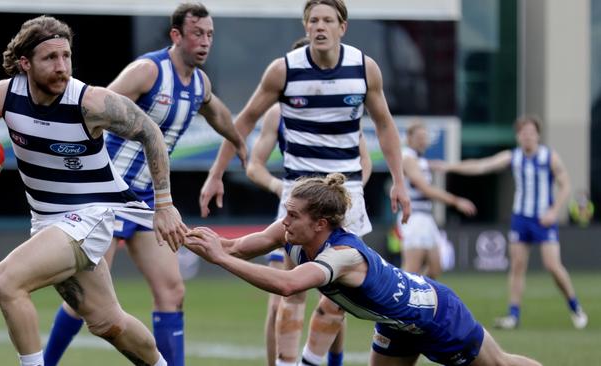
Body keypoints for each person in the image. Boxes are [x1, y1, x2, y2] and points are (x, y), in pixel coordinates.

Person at [0, 15, 188, 366]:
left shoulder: (89, 102)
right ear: (24, 63)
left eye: (66, 56)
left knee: (5, 282)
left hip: (90, 216)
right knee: (109, 323)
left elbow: (150, 131)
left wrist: (165, 204)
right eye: (50, 58)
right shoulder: (5, 95)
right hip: (48, 222)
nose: (62, 66)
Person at [200, 2, 411, 361]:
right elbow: (245, 119)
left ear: (342, 27)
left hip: (347, 195)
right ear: (306, 25)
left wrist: (400, 181)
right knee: (291, 292)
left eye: (328, 20)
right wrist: (215, 173)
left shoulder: (364, 69)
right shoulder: (283, 70)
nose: (320, 26)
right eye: (313, 20)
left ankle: (314, 361)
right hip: (299, 197)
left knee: (340, 295)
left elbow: (386, 125)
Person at [42, 4, 246, 366]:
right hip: (104, 194)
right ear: (176, 36)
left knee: (172, 291)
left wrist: (239, 151)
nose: (205, 42)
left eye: (210, 34)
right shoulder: (148, 71)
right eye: (197, 33)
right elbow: (94, 107)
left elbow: (222, 117)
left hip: (149, 202)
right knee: (84, 302)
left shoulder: (200, 85)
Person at [186, 173, 543, 366]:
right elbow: (231, 247)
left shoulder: (343, 254)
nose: (285, 221)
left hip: (437, 314)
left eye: (293, 214)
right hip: (395, 325)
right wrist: (179, 232)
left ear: (321, 223)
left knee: (501, 365)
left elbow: (288, 284)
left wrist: (220, 258)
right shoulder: (291, 232)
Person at [247, 95, 372, 365]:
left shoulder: (344, 107)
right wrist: (280, 188)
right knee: (283, 297)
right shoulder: (278, 112)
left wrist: (349, 194)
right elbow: (254, 165)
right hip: (296, 212)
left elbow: (364, 160)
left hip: (337, 212)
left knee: (337, 297)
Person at [434, 116, 588, 330]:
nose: (527, 136)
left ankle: (575, 306)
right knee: (517, 266)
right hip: (520, 218)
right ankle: (513, 316)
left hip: (543, 219)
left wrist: (554, 211)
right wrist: (450, 166)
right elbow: (481, 166)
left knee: (552, 265)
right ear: (518, 136)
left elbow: (566, 185)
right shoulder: (513, 157)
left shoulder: (549, 157)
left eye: (531, 132)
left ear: (538, 135)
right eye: (523, 133)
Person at [399, 121, 476, 278]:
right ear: (409, 138)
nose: (423, 140)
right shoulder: (407, 158)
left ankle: (419, 297)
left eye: (425, 137)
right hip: (414, 217)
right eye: (419, 137)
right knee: (411, 270)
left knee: (435, 269)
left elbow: (439, 166)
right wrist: (456, 201)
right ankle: (397, 300)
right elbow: (425, 189)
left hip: (426, 217)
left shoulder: (420, 160)